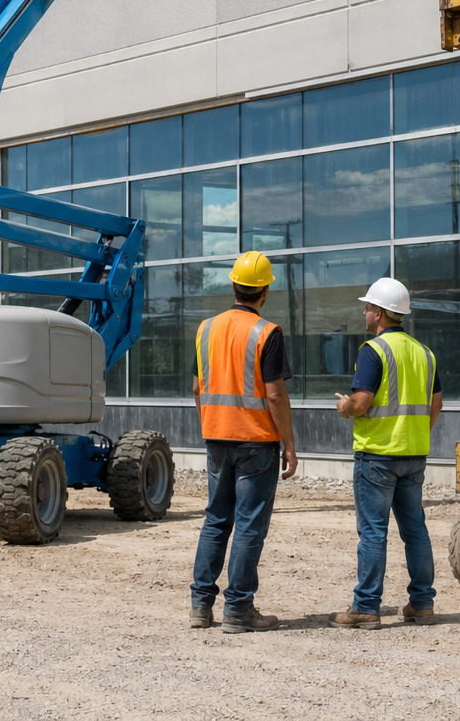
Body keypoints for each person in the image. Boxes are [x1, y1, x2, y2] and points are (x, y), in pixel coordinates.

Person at [189, 250, 298, 633]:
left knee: (216, 520)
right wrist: (289, 444)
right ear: (265, 291)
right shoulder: (267, 332)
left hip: (216, 439)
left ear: (233, 285)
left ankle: (200, 607)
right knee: (249, 525)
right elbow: (275, 396)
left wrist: (212, 424)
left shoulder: (206, 329)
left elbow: (197, 388)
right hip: (256, 442)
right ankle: (238, 609)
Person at [330, 277, 441, 630]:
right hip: (413, 455)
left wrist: (345, 407)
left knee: (373, 532)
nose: (364, 312)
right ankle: (422, 604)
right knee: (415, 530)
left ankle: (366, 607)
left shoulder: (373, 350)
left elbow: (362, 402)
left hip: (377, 455)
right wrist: (414, 433)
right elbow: (436, 404)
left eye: (367, 307)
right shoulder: (425, 353)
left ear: (378, 313)